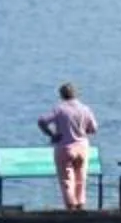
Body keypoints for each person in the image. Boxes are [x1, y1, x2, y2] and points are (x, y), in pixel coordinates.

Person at [39, 81, 99, 210]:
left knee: (66, 179)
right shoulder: (85, 109)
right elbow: (93, 128)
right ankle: (81, 203)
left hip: (64, 146)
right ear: (75, 94)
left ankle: (70, 205)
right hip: (82, 146)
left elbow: (42, 121)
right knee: (81, 177)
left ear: (61, 95)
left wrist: (52, 134)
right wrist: (83, 131)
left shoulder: (59, 109)